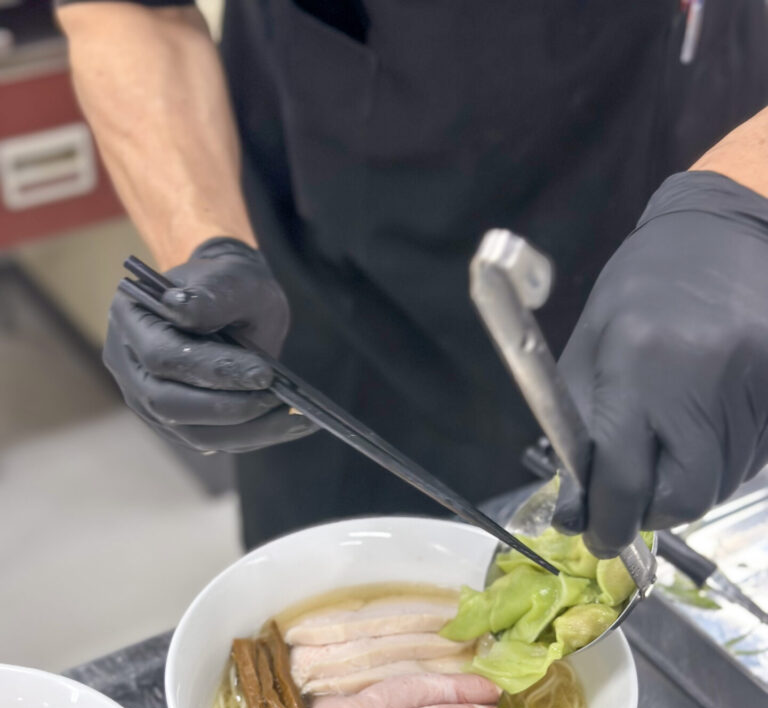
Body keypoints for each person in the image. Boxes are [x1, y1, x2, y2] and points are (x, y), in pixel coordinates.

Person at [57, 0, 768, 557]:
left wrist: (743, 209)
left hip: (711, 223)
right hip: (358, 305)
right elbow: (128, 11)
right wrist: (201, 242)